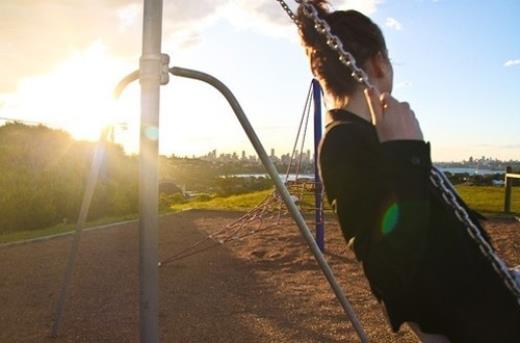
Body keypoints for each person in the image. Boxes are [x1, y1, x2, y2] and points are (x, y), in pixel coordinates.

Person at [296, 1, 520, 342]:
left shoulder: (370, 133)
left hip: (483, 298)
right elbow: (387, 270)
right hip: (468, 322)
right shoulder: (343, 142)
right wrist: (406, 154)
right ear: (379, 63)